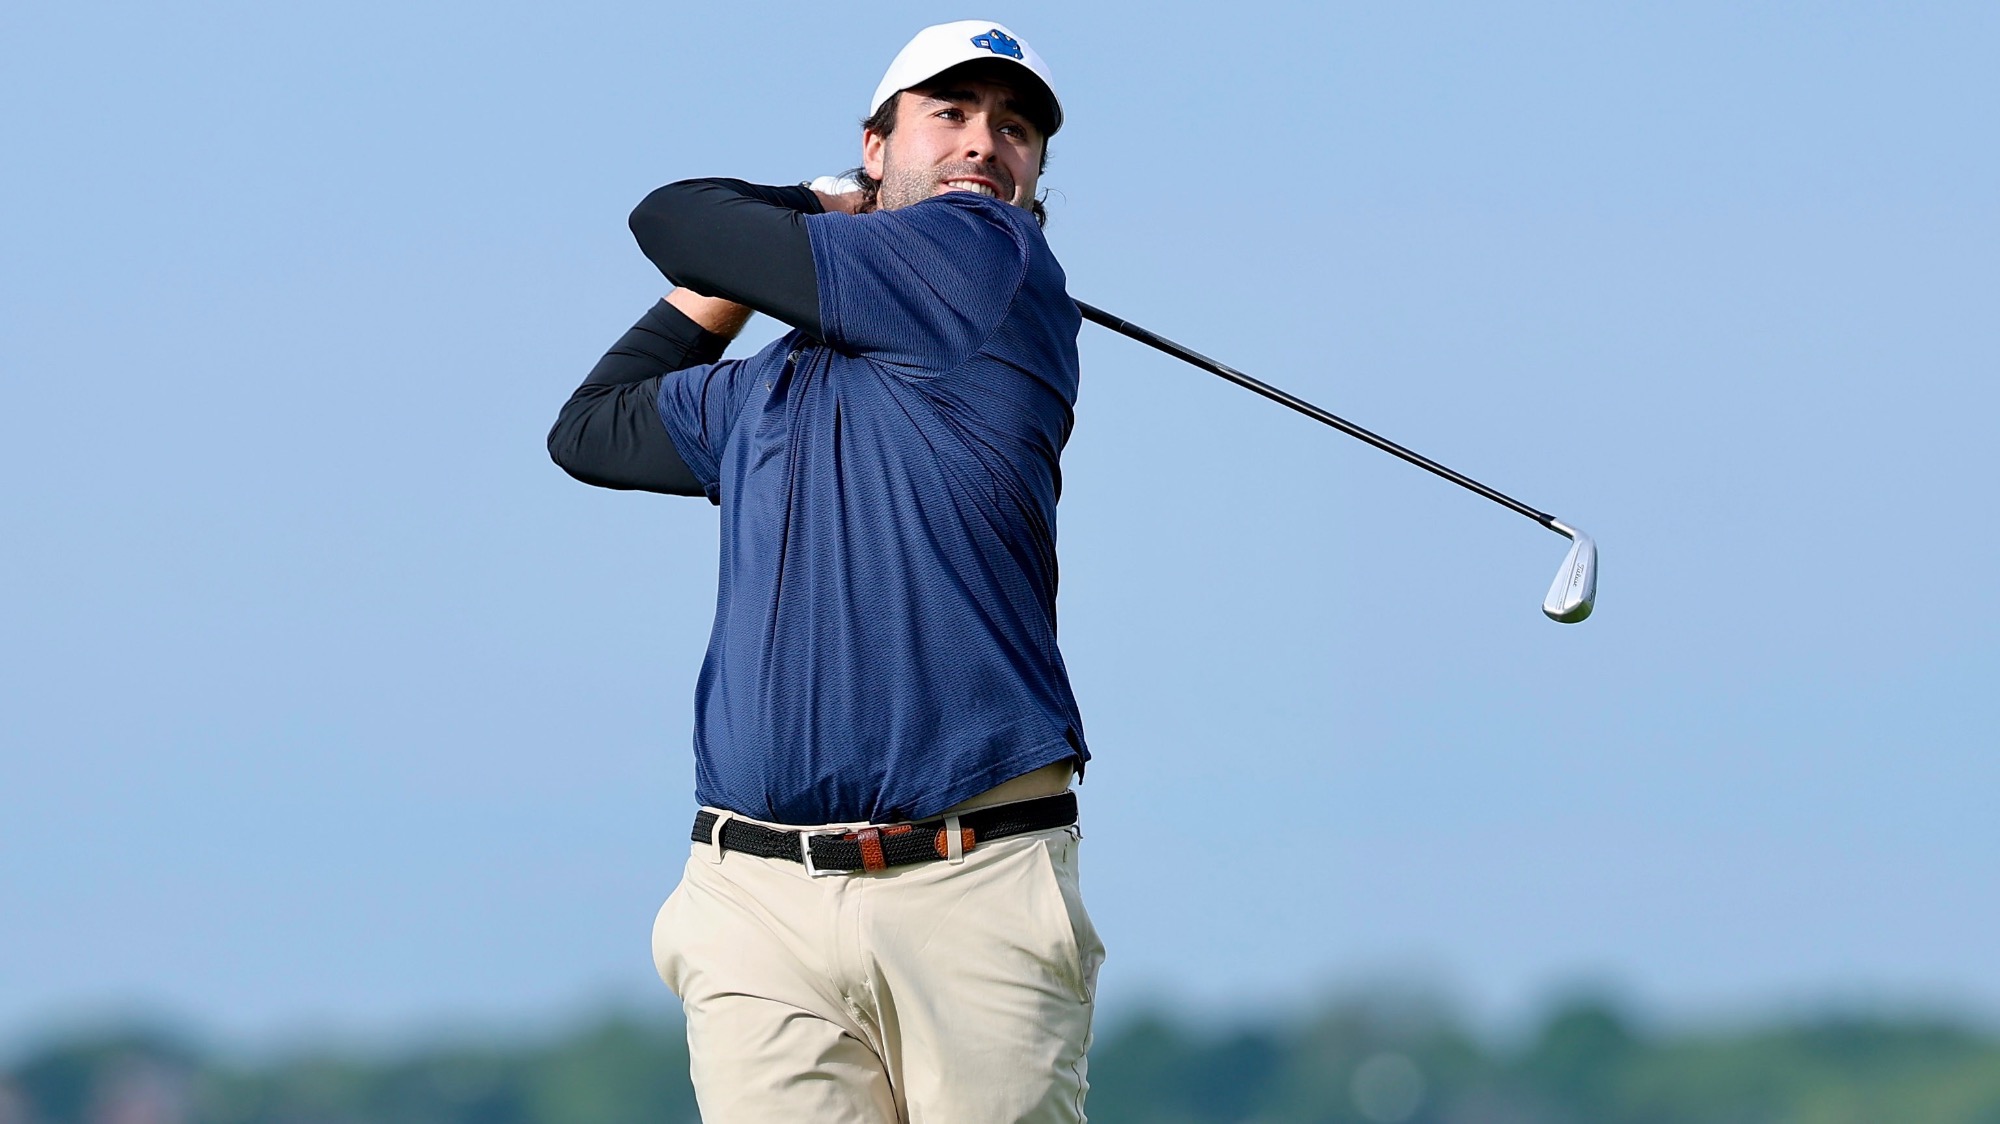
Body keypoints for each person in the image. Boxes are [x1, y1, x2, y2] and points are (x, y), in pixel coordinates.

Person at [547, 19, 1102, 1123]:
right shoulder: (761, 390)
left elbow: (676, 216)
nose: (986, 144)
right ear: (874, 145)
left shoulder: (989, 266)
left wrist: (808, 208)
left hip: (970, 883)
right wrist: (779, 243)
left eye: (1015, 129)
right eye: (948, 114)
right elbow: (591, 429)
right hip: (754, 897)